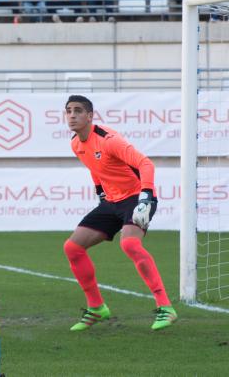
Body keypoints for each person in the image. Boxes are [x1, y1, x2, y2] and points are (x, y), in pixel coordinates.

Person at [62, 95, 177, 332]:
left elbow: (146, 164)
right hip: (111, 201)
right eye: (68, 111)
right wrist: (100, 193)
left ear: (90, 116)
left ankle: (166, 307)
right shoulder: (76, 143)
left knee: (130, 245)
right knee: (72, 247)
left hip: (137, 197)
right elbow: (95, 169)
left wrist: (145, 197)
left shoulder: (109, 140)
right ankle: (96, 307)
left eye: (78, 111)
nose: (72, 115)